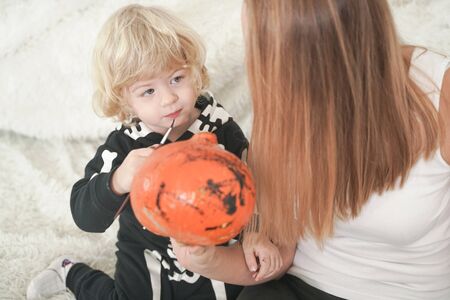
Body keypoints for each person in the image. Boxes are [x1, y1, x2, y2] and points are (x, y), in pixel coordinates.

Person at [172, 0, 450, 299]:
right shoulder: (283, 103)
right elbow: (275, 258)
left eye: (266, 48)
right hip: (298, 285)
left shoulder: (437, 91)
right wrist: (206, 259)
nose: (260, 63)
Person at [26, 4, 248, 300]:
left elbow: (251, 178)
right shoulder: (125, 146)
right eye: (148, 91)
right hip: (149, 251)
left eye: (176, 79)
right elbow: (85, 216)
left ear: (194, 72)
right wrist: (119, 179)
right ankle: (71, 272)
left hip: (214, 247)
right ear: (126, 101)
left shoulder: (217, 123)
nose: (169, 98)